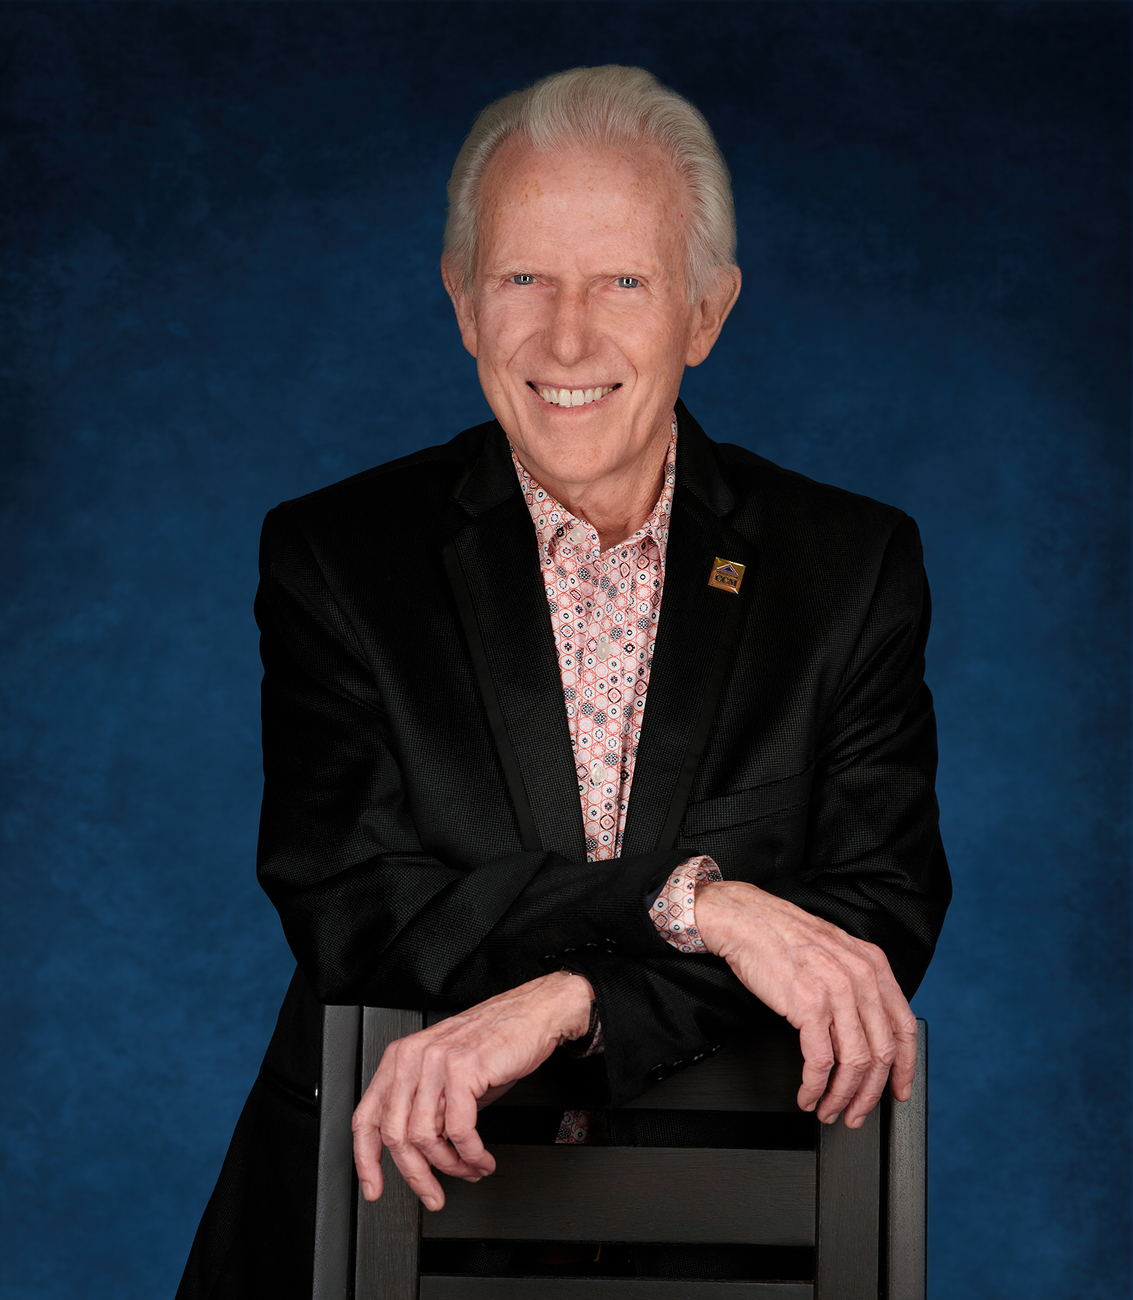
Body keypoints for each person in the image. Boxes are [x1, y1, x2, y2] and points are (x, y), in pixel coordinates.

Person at [177, 65, 951, 1298]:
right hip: (372, 1213)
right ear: (462, 303)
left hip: (730, 1239)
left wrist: (575, 997)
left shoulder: (848, 569)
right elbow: (358, 907)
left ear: (705, 312)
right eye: (523, 279)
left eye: (622, 282)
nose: (567, 339)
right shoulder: (334, 557)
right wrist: (704, 906)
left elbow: (867, 922)